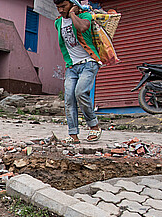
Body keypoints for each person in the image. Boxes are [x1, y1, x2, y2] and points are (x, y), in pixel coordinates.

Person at [54, 0, 102, 143]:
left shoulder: (85, 16)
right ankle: (73, 135)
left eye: (64, 6)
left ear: (72, 4)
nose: (61, 10)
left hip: (89, 63)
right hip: (72, 67)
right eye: (58, 7)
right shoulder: (58, 23)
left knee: (80, 92)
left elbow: (82, 28)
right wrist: (69, 63)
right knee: (69, 99)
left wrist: (73, 13)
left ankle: (94, 126)